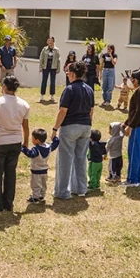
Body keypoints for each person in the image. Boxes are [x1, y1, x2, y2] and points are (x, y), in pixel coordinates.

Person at [0, 76, 30, 212]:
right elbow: (25, 126)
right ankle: (8, 202)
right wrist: (26, 142)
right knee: (11, 172)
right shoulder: (24, 104)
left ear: (4, 86)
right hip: (16, 141)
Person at [51, 61, 95, 200]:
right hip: (86, 126)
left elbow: (63, 111)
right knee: (81, 158)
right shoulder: (89, 89)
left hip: (70, 126)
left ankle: (62, 191)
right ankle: (80, 188)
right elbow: (91, 110)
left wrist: (55, 128)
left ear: (73, 73)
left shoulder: (69, 89)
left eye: (68, 72)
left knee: (65, 159)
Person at [22, 128, 59, 204]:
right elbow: (55, 145)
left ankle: (35, 197)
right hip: (44, 170)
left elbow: (30, 154)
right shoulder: (48, 147)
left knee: (35, 185)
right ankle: (41, 195)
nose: (31, 140)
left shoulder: (36, 149)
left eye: (32, 138)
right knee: (43, 184)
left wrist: (23, 149)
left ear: (37, 140)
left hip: (36, 171)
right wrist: (55, 139)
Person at [38, 37, 61, 102]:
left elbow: (59, 60)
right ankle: (42, 95)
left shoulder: (56, 50)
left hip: (53, 67)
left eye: (51, 41)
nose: (50, 42)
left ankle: (52, 96)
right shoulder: (44, 49)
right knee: (44, 80)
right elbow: (41, 58)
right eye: (49, 41)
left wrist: (58, 68)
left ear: (53, 42)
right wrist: (40, 67)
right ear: (47, 42)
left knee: (52, 81)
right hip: (45, 66)